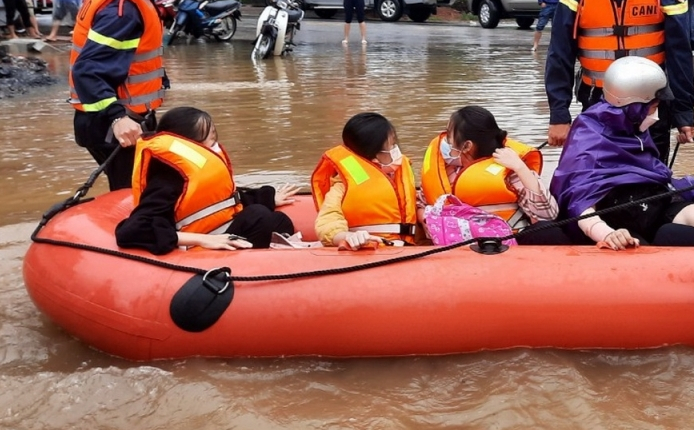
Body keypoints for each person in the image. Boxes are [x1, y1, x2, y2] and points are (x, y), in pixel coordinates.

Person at [544, 0, 694, 164]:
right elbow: (559, 54)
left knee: (650, 184)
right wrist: (559, 114)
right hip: (597, 106)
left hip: (651, 108)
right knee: (599, 184)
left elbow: (680, 55)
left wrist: (684, 113)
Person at [551, 56, 694, 250]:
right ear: (635, 107)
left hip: (647, 205)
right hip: (613, 219)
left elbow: (652, 173)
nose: (656, 115)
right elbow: (579, 203)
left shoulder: (633, 125)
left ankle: (666, 248)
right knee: (635, 247)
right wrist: (607, 233)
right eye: (654, 108)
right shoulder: (590, 136)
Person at [68, 0, 188, 191]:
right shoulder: (124, 10)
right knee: (134, 195)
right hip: (114, 125)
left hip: (115, 121)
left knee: (138, 189)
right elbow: (86, 70)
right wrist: (116, 117)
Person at [115, 107, 297, 254]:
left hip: (219, 229)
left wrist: (267, 198)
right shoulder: (168, 178)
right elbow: (132, 231)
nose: (215, 146)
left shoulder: (198, 168)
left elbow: (220, 200)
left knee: (280, 220)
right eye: (210, 141)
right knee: (258, 216)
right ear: (189, 144)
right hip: (197, 245)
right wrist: (205, 240)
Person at [421, 105, 557, 227]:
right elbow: (420, 201)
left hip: (506, 245)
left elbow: (548, 214)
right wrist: (426, 220)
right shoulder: (445, 172)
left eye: (449, 135)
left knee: (550, 233)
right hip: (458, 243)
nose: (443, 139)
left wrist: (521, 168)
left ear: (467, 146)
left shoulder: (510, 171)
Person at [312, 112, 419, 250]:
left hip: (409, 248)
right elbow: (327, 224)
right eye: (391, 146)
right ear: (373, 155)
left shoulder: (400, 174)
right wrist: (347, 236)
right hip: (373, 249)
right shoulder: (342, 186)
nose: (396, 150)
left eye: (394, 144)